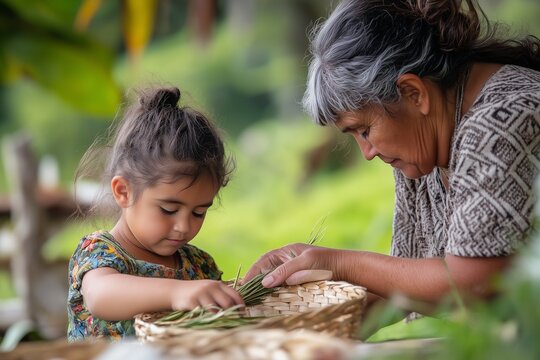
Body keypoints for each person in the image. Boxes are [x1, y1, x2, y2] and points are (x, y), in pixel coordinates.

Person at [244, 0, 540, 316]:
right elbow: (410, 289)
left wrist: (338, 262)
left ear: (414, 93)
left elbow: (473, 284)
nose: (367, 153)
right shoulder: (424, 145)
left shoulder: (500, 123)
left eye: (364, 130)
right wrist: (304, 307)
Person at [67, 87, 243, 341]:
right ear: (123, 191)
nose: (184, 226)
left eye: (199, 212)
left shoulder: (198, 266)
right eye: (169, 210)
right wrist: (177, 293)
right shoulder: (100, 253)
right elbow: (101, 296)